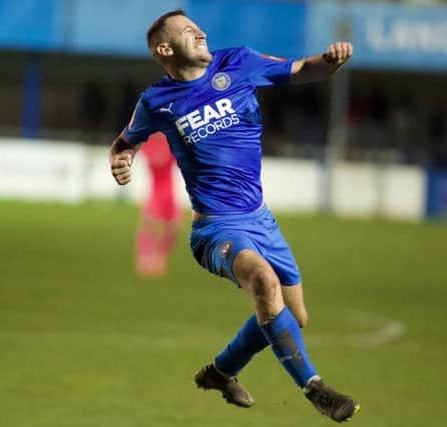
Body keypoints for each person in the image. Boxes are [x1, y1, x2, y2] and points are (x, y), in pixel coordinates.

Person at [109, 9, 358, 423]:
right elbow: (125, 141)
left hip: (262, 220)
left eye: (198, 26)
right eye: (189, 31)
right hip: (215, 229)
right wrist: (121, 160)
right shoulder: (155, 101)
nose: (201, 32)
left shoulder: (238, 63)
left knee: (293, 316)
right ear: (166, 49)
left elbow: (301, 70)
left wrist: (328, 64)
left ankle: (221, 372)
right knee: (263, 281)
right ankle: (316, 389)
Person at [136, 132, 181, 276]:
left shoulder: (172, 143)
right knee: (150, 225)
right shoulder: (148, 144)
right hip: (155, 192)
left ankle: (159, 257)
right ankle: (144, 258)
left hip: (170, 192)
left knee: (174, 227)